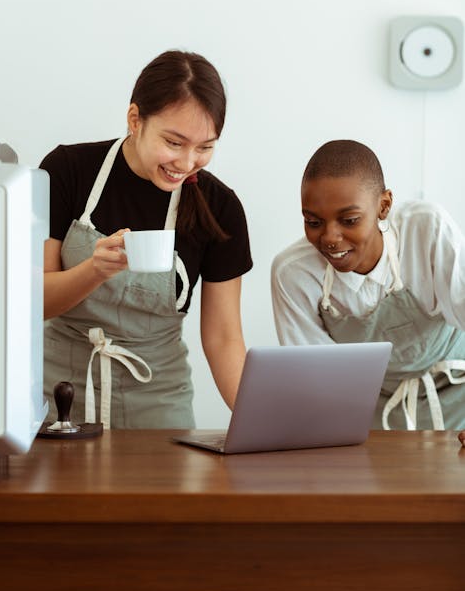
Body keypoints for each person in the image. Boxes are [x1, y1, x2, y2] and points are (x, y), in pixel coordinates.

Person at [41, 50, 252, 429]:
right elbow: (33, 300)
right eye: (174, 142)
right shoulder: (66, 172)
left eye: (205, 147)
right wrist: (93, 271)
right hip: (60, 397)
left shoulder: (221, 208)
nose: (187, 163)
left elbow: (223, 339)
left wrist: (264, 426)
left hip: (159, 405)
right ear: (135, 120)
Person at [271, 139, 465, 431]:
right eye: (313, 222)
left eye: (349, 220)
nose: (330, 238)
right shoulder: (294, 274)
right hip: (374, 412)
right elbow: (316, 380)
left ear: (384, 205)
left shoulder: (426, 230)